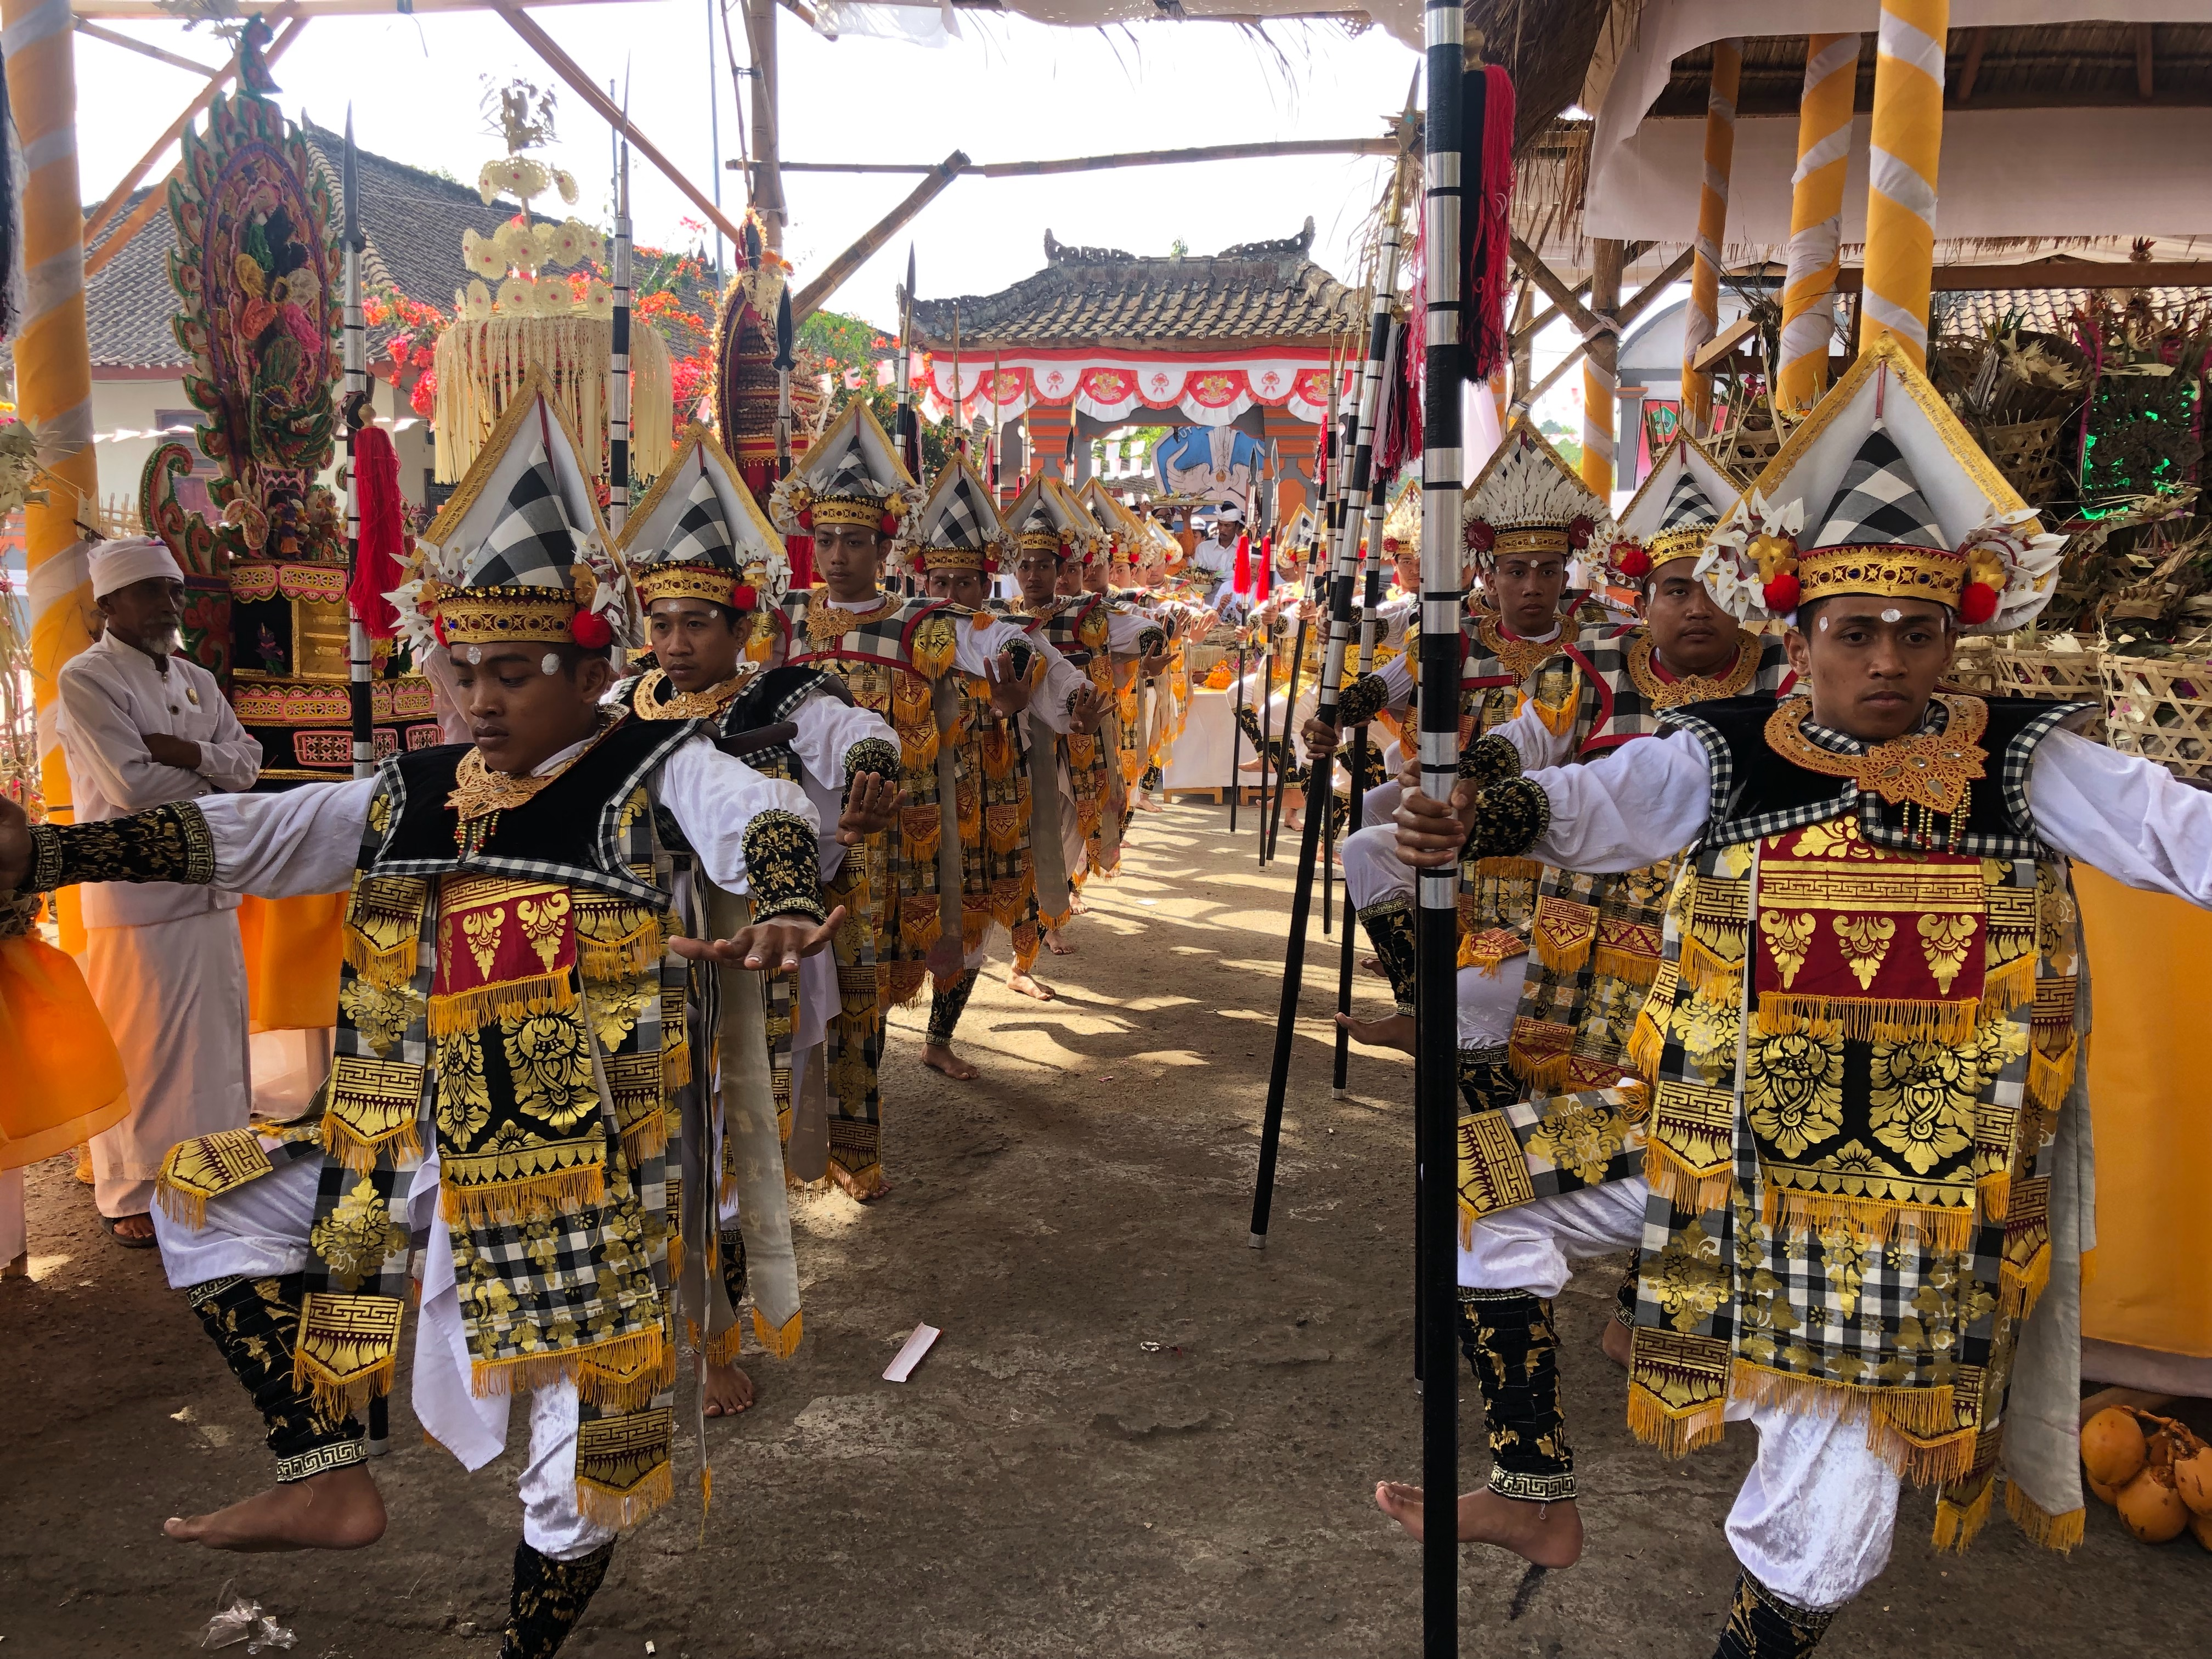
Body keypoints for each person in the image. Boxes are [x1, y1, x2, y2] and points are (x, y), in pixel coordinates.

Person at [1374, 342, 2211, 1656]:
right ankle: (1536, 1490)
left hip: (1903, 1215)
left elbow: (2178, 835)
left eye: (1918, 632)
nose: (1887, 659)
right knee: (1474, 1177)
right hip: (1706, 1145)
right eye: (1855, 631)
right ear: (1800, 634)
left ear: (1955, 635)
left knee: (1828, 1503)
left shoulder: (2016, 766)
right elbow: (1597, 806)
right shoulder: (1726, 751)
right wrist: (1476, 811)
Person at [0, 382, 836, 1659]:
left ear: (596, 667)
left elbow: (765, 816)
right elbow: (251, 831)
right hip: (411, 1135)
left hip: (580, 1184)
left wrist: (780, 892)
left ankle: (525, 1650)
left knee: (576, 1480)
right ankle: (331, 1473)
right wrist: (50, 854)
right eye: (462, 670)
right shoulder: (422, 787)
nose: (480, 700)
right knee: (195, 1194)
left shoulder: (655, 772)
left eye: (515, 672)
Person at [616, 426, 902, 1419]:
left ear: (742, 627)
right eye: (662, 622)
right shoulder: (620, 703)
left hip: (753, 950)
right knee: (644, 1135)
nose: (677, 641)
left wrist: (874, 764)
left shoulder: (788, 691)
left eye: (699, 621)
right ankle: (646, 1320)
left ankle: (713, 1340)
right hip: (639, 952)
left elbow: (858, 727)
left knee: (732, 1137)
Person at [766, 413, 1099, 1115]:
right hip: (795, 822)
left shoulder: (920, 624)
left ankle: (866, 1110)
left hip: (897, 824)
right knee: (803, 968)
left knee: (874, 965)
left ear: (883, 549)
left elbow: (1009, 640)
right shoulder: (786, 619)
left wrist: (1067, 692)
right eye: (825, 540)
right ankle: (800, 1120)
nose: (836, 556)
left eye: (854, 541)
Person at [1314, 425, 1604, 1065]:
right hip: (1451, 797)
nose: (1532, 586)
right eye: (1516, 571)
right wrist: (1328, 718)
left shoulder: (1598, 647)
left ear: (1566, 574)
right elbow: (1378, 689)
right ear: (1490, 573)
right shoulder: (1452, 637)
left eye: (1548, 571)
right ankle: (1415, 1001)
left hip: (1554, 809)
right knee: (1365, 834)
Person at [57, 534, 263, 1246]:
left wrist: (190, 754)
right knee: (141, 1047)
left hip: (209, 884)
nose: (169, 606)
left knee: (215, 1048)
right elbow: (132, 786)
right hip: (136, 894)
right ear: (109, 602)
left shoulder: (196, 679)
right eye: (151, 591)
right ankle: (129, 1193)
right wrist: (213, 771)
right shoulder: (86, 679)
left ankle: (212, 1177)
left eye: (174, 592)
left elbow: (250, 764)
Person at [1002, 478, 1166, 952]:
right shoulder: (999, 618)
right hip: (1020, 745)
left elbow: (1149, 629)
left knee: (1071, 832)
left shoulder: (1090, 617)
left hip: (1081, 742)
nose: (1033, 575)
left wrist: (1153, 654)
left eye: (1044, 566)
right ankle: (1031, 939)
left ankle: (1047, 918)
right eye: (1025, 565)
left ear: (1062, 568)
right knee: (1030, 837)